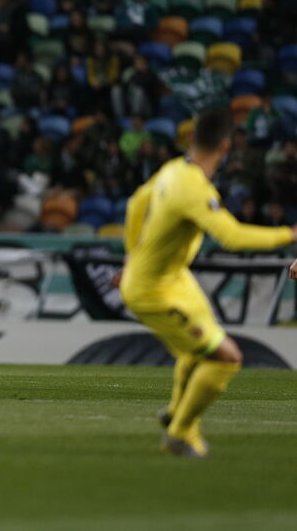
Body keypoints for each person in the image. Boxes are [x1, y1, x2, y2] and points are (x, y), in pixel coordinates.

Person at [119, 108, 297, 458]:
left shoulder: (172, 170)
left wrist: (131, 253)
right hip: (153, 289)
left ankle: (174, 412)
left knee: (200, 349)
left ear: (190, 138)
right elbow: (231, 236)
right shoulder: (194, 188)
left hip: (174, 278)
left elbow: (134, 204)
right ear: (227, 146)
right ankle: (181, 433)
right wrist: (289, 233)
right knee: (225, 357)